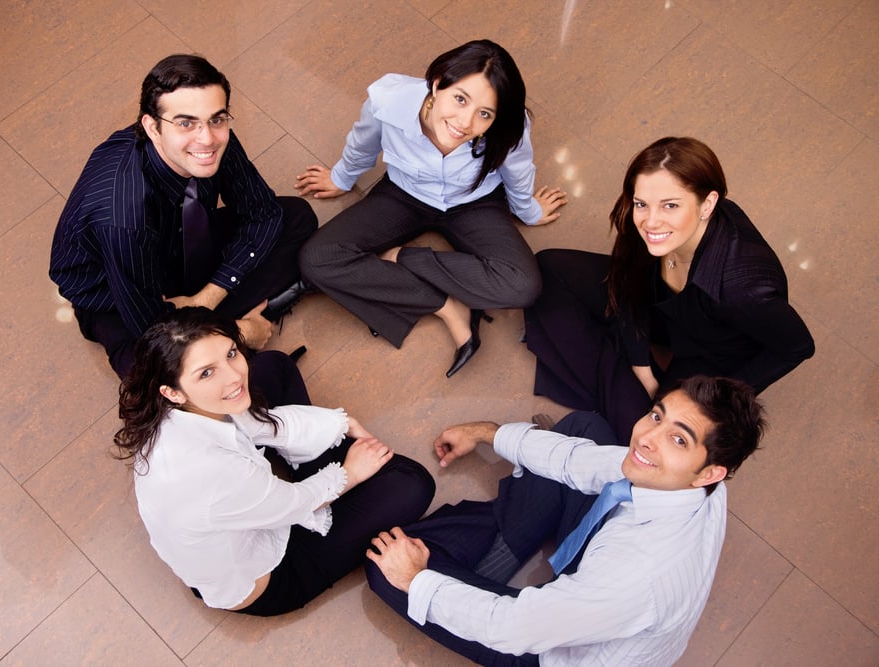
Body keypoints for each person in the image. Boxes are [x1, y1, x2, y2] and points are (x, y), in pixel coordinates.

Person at [365, 376, 765, 666]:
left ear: (709, 472)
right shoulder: (695, 481)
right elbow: (579, 461)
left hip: (550, 650)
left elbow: (513, 629)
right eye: (656, 416)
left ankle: (494, 555)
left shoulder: (641, 576)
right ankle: (506, 545)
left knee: (387, 567)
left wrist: (418, 580)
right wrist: (485, 432)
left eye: (679, 439)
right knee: (584, 429)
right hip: (602, 572)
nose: (646, 437)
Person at [114, 307, 435, 616]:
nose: (234, 376)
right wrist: (350, 472)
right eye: (207, 373)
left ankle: (315, 461)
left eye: (230, 353)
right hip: (271, 575)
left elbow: (255, 422)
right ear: (173, 392)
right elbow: (295, 504)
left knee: (272, 366)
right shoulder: (217, 474)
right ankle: (321, 465)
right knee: (413, 484)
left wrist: (339, 423)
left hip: (241, 510)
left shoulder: (172, 411)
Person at [295, 39, 567, 378]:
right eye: (459, 99)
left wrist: (528, 210)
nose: (465, 123)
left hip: (474, 202)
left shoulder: (510, 126)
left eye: (484, 114)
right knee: (316, 258)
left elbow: (518, 169)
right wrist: (341, 177)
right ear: (438, 84)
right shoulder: (388, 100)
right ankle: (448, 307)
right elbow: (362, 142)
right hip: (403, 194)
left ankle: (401, 258)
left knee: (523, 285)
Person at [523, 136, 813, 442]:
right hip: (661, 307)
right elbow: (628, 279)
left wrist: (718, 399)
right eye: (641, 204)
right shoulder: (651, 226)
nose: (651, 221)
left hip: (709, 349)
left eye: (671, 205)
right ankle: (620, 372)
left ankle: (614, 378)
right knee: (549, 269)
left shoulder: (742, 289)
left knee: (647, 435)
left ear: (708, 204)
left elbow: (798, 346)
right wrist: (642, 368)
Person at [50, 54, 318, 379]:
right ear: (152, 127)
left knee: (297, 218)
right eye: (186, 123)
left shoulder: (214, 141)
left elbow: (262, 214)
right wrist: (236, 333)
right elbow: (151, 326)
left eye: (217, 119)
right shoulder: (123, 217)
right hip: (117, 288)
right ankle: (222, 332)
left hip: (182, 249)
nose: (206, 139)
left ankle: (203, 335)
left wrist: (205, 298)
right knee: (151, 371)